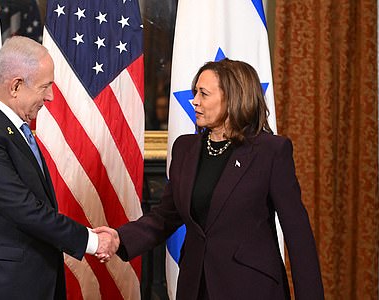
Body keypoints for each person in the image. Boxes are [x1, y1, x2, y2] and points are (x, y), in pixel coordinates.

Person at [96, 59, 324, 299]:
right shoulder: (186, 148)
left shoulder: (270, 152)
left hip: (250, 288)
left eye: (203, 94)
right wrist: (119, 238)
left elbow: (298, 234)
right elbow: (164, 217)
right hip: (195, 287)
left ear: (233, 98)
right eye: (195, 92)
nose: (194, 100)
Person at [0, 36, 118, 299]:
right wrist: (92, 241)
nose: (51, 96)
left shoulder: (9, 126)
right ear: (16, 86)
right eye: (45, 87)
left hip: (18, 282)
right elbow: (23, 208)